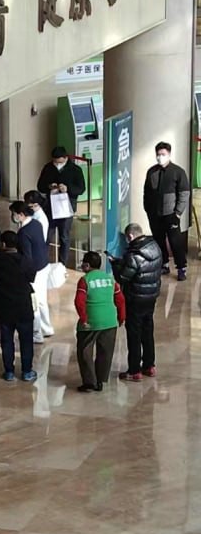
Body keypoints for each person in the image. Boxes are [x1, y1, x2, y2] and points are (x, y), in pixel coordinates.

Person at [111, 222, 163, 381]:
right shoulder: (155, 247)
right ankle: (149, 365)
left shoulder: (134, 255)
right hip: (151, 297)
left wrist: (115, 265)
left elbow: (122, 277)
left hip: (135, 300)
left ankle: (134, 370)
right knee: (148, 331)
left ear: (131, 236)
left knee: (134, 335)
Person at [74, 251, 126, 393]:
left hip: (91, 322)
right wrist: (121, 318)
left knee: (85, 351)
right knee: (105, 352)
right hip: (110, 321)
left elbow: (79, 302)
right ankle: (100, 381)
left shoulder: (85, 280)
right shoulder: (110, 280)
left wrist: (83, 319)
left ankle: (89, 382)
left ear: (87, 265)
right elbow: (120, 300)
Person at [0, 230, 37, 383]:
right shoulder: (25, 260)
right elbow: (32, 277)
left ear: (3, 244)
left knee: (7, 341)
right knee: (26, 341)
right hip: (23, 305)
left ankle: (9, 372)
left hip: (4, 306)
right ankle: (27, 371)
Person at [143, 141, 190, 281]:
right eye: (158, 154)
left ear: (169, 154)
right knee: (159, 241)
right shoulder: (152, 171)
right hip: (154, 214)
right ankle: (164, 264)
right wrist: (147, 208)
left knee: (176, 242)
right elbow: (146, 192)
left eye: (163, 154)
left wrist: (178, 213)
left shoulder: (178, 172)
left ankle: (181, 268)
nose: (160, 157)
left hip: (171, 215)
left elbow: (184, 193)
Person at [10, 201, 53, 341]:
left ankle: (36, 333)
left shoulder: (23, 233)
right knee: (42, 301)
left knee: (34, 302)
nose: (13, 216)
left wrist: (22, 273)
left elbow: (26, 257)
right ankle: (47, 328)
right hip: (44, 266)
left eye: (14, 213)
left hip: (34, 271)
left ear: (21, 214)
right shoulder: (36, 224)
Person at [37, 145, 86, 266]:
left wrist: (68, 189)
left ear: (65, 158)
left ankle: (62, 263)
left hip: (66, 207)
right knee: (47, 235)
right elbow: (40, 186)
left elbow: (81, 189)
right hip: (50, 206)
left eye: (59, 162)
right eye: (54, 162)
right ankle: (43, 261)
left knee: (64, 236)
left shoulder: (75, 170)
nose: (56, 164)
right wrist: (49, 186)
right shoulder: (48, 168)